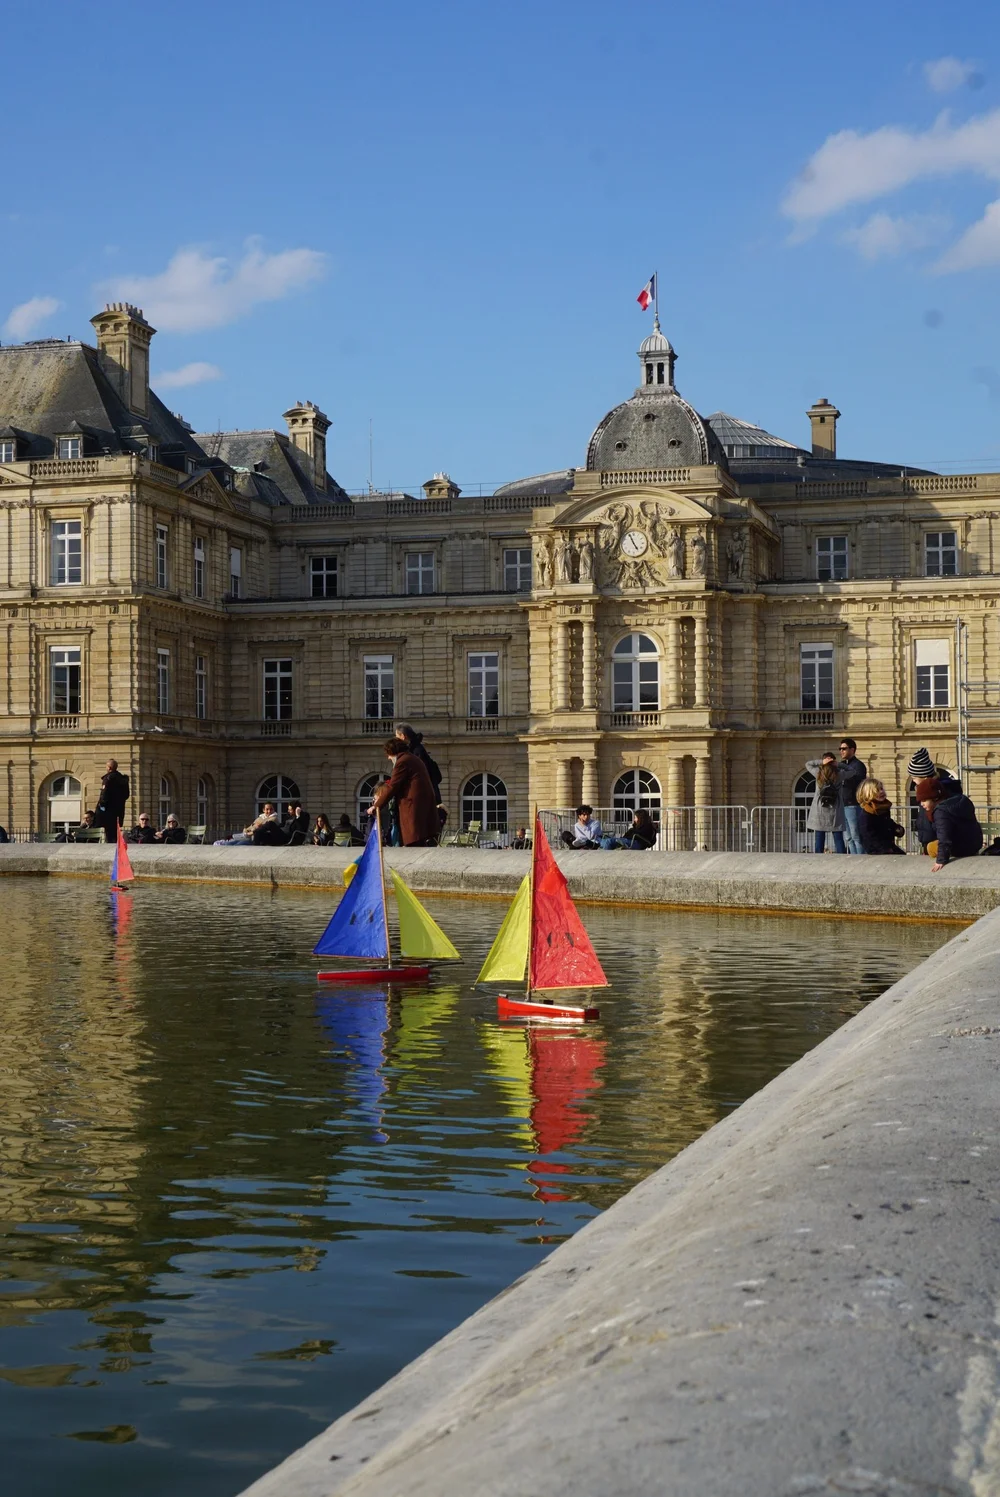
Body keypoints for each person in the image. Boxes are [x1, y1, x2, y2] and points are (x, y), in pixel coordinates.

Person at [368, 738, 440, 846]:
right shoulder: (413, 758)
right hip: (422, 808)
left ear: (393, 752)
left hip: (413, 808)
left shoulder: (402, 762)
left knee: (414, 842)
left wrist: (376, 806)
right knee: (419, 842)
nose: (388, 758)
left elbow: (393, 786)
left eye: (388, 754)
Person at [915, 777, 983, 870]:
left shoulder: (940, 812)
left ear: (935, 798)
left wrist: (941, 860)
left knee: (930, 847)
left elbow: (944, 836)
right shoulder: (960, 800)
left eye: (924, 800)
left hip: (960, 847)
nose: (922, 804)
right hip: (975, 844)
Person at [907, 748, 963, 855]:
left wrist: (927, 842)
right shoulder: (941, 789)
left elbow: (929, 821)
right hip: (936, 842)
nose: (913, 781)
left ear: (924, 777)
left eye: (914, 777)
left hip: (936, 843)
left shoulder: (932, 793)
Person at [395, 724, 445, 826]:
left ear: (403, 736)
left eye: (397, 737)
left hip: (424, 799)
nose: (396, 740)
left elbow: (422, 777)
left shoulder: (415, 752)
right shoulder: (418, 749)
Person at [806, 754, 846, 854]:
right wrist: (839, 764)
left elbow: (808, 764)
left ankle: (818, 861)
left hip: (820, 810)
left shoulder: (818, 773)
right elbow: (853, 771)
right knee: (838, 838)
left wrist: (821, 762)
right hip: (835, 810)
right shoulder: (839, 775)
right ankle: (843, 860)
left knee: (819, 838)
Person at [856, 778, 905, 855]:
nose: (881, 791)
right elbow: (867, 835)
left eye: (881, 789)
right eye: (877, 790)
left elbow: (888, 823)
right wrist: (883, 849)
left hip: (888, 846)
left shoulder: (883, 808)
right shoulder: (868, 813)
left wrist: (896, 828)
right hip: (876, 850)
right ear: (869, 794)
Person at [836, 739, 867, 854]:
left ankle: (860, 860)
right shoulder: (842, 765)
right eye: (840, 749)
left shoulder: (858, 765)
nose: (841, 751)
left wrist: (844, 776)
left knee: (856, 836)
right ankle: (854, 860)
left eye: (844, 749)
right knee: (848, 838)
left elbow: (857, 782)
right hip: (842, 805)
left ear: (852, 750)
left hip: (853, 804)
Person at [95, 758, 130, 843]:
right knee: (115, 833)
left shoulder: (108, 778)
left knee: (109, 833)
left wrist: (101, 805)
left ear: (109, 768)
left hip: (108, 811)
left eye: (106, 767)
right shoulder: (123, 780)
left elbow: (104, 794)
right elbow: (126, 795)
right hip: (119, 810)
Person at [214, 803, 279, 847]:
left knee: (237, 845)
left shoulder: (274, 818)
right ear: (263, 810)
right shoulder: (259, 818)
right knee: (229, 843)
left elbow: (261, 827)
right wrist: (246, 830)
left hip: (256, 840)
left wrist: (253, 829)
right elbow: (250, 827)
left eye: (271, 809)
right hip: (247, 837)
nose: (269, 811)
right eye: (267, 809)